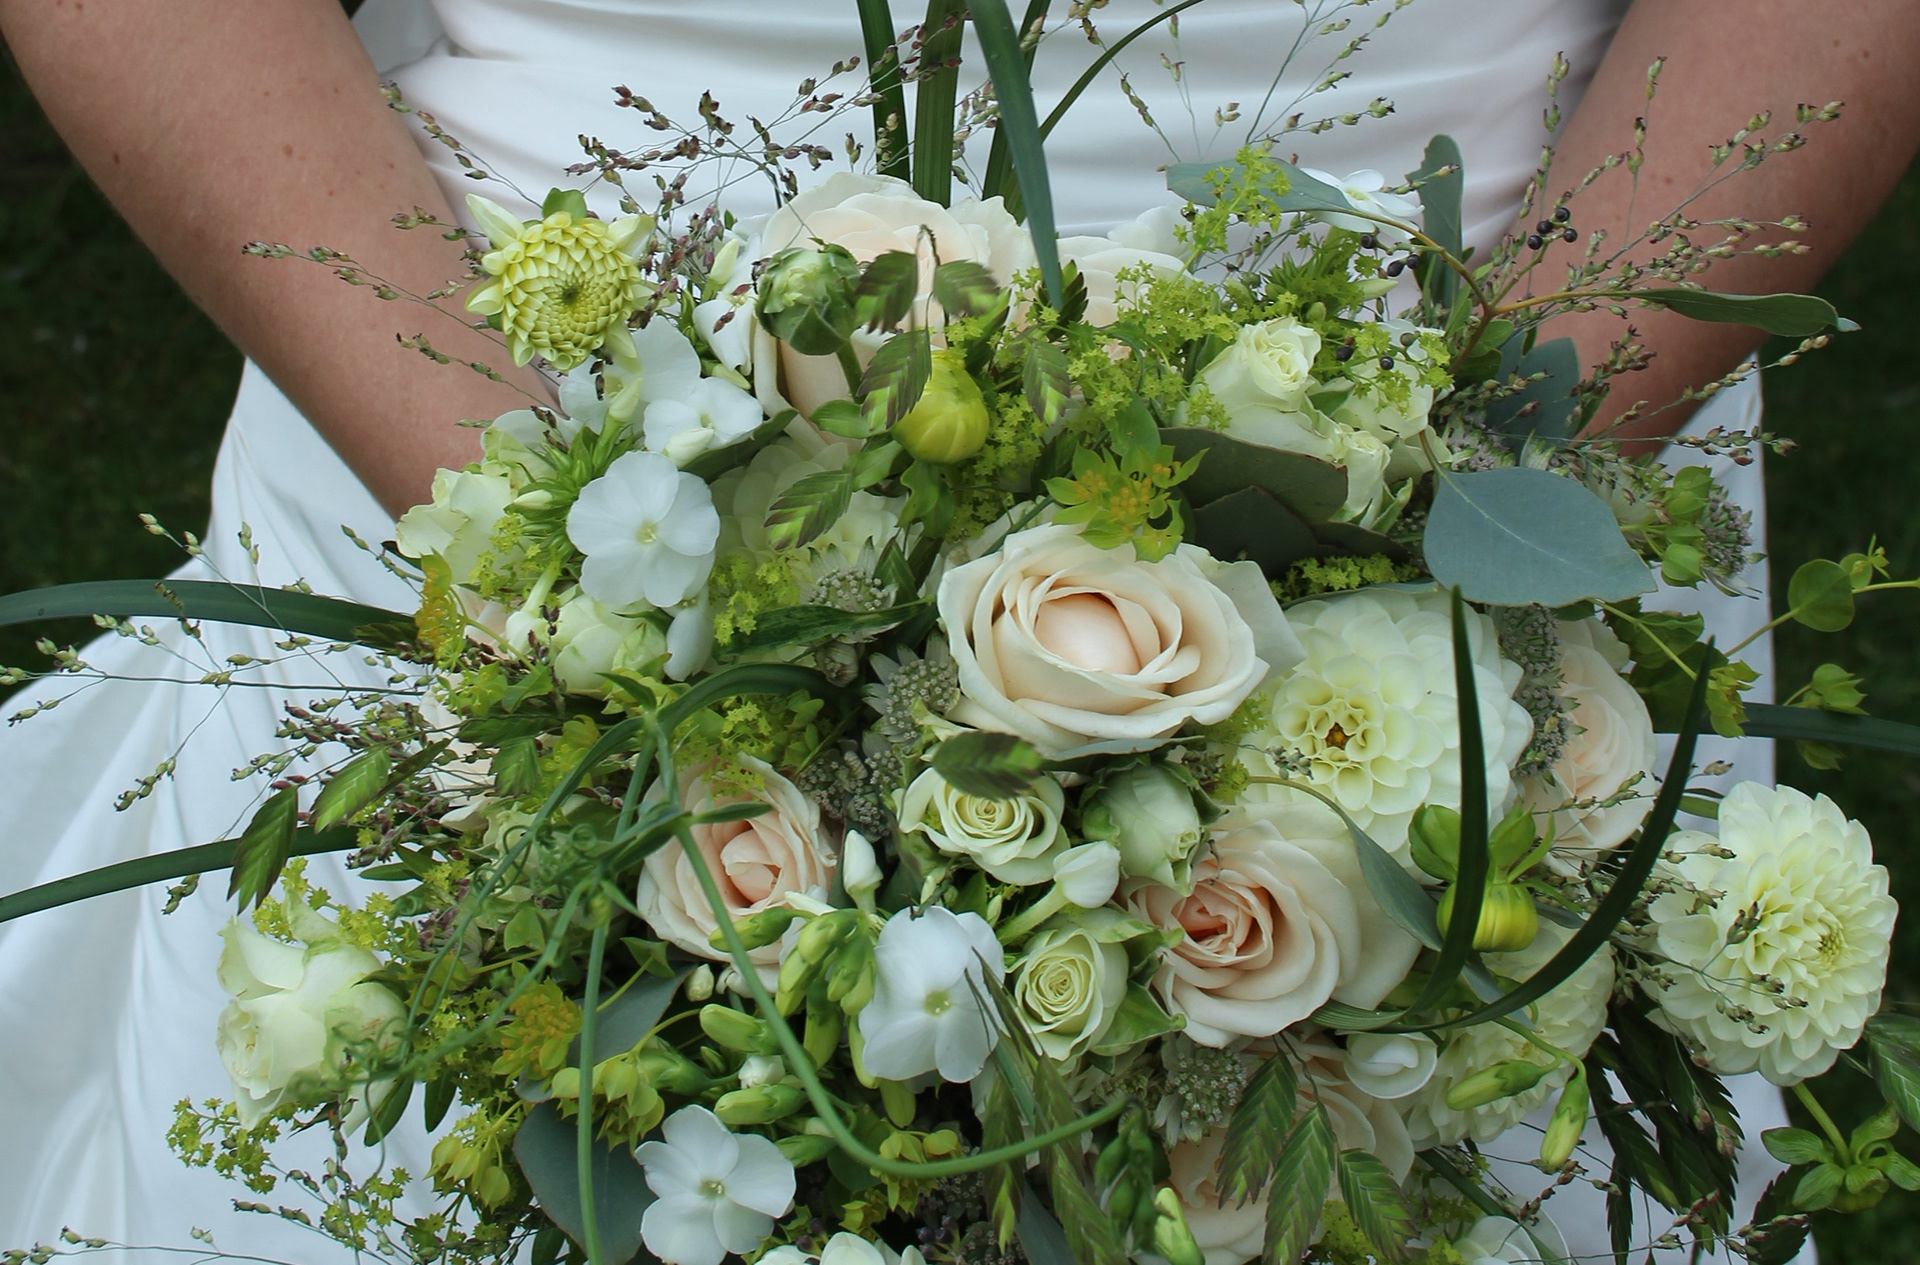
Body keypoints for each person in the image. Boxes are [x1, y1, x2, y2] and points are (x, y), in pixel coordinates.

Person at [0, 1, 1915, 1261]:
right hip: (482, 414)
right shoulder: (550, 544)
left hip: (1491, 442)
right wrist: (575, 582)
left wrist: (1449, 514)